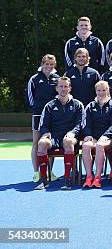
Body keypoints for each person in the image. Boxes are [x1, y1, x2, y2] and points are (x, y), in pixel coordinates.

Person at [35, 77, 85, 190]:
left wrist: (72, 133)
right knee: (42, 143)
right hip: (54, 138)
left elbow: (80, 124)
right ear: (56, 88)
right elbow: (43, 125)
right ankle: (43, 181)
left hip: (71, 138)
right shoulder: (49, 106)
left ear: (70, 88)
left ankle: (67, 180)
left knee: (68, 141)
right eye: (61, 86)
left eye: (66, 86)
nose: (63, 89)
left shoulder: (78, 105)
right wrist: (46, 133)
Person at [26, 54, 60, 182]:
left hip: (53, 116)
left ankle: (49, 172)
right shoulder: (34, 79)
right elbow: (30, 98)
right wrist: (36, 109)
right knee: (36, 142)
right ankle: (36, 172)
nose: (49, 67)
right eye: (47, 64)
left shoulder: (57, 78)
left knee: (49, 144)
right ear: (42, 64)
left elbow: (60, 95)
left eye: (51, 64)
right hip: (38, 115)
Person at [81, 81, 112, 188]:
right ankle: (89, 176)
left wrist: (105, 136)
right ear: (95, 91)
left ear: (108, 91)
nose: (101, 92)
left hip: (109, 138)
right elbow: (86, 123)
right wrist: (88, 134)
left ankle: (98, 177)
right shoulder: (90, 106)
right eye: (99, 90)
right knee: (85, 146)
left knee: (99, 145)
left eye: (104, 90)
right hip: (94, 137)